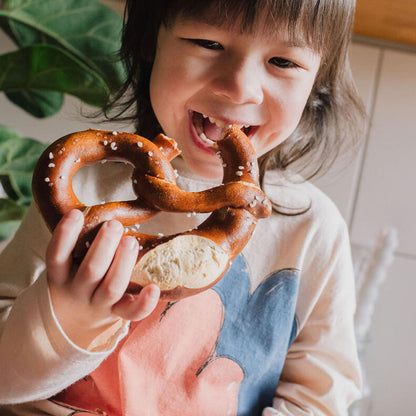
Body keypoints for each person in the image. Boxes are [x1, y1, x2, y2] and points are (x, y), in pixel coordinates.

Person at [0, 0, 366, 414]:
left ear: (317, 83)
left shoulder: (313, 231)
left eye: (283, 61)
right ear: (148, 46)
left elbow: (319, 396)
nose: (239, 86)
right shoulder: (79, 196)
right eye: (207, 42)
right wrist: (64, 318)